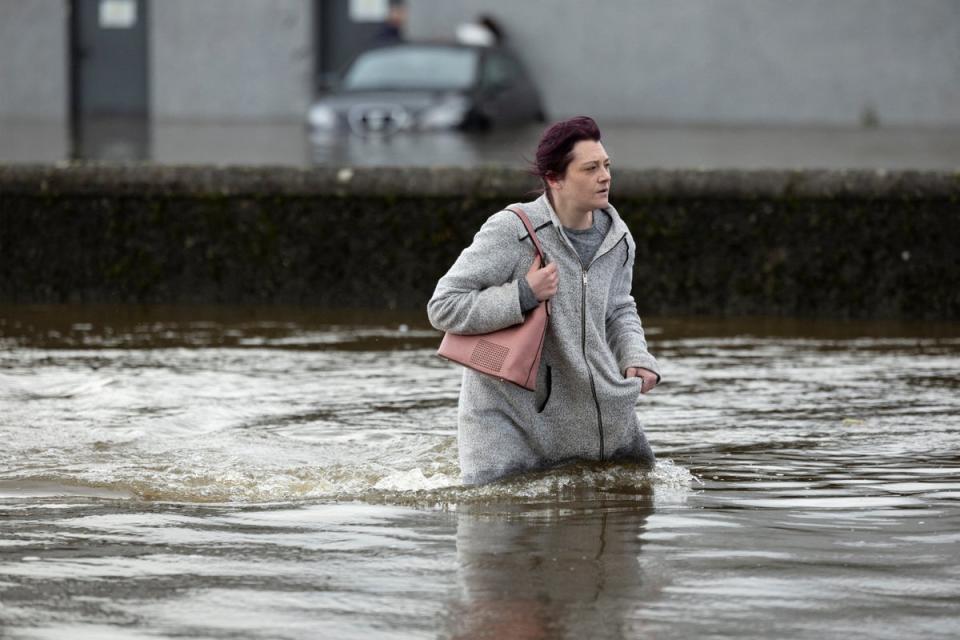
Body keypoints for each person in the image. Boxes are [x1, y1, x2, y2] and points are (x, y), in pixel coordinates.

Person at [428, 116, 661, 486]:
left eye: (606, 165)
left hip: (595, 419)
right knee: (505, 530)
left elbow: (619, 308)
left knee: (627, 512)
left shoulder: (618, 237)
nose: (605, 176)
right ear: (555, 178)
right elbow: (444, 307)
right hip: (508, 424)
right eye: (590, 168)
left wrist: (635, 356)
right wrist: (523, 294)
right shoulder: (513, 230)